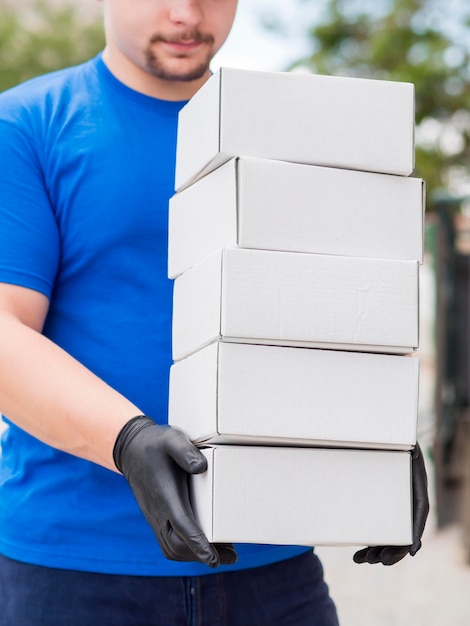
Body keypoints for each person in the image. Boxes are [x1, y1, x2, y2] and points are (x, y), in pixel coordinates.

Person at [0, 1, 428, 624]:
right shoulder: (26, 124)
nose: (186, 13)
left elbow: (331, 306)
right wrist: (129, 441)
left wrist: (373, 442)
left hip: (271, 567)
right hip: (74, 571)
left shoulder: (285, 129)